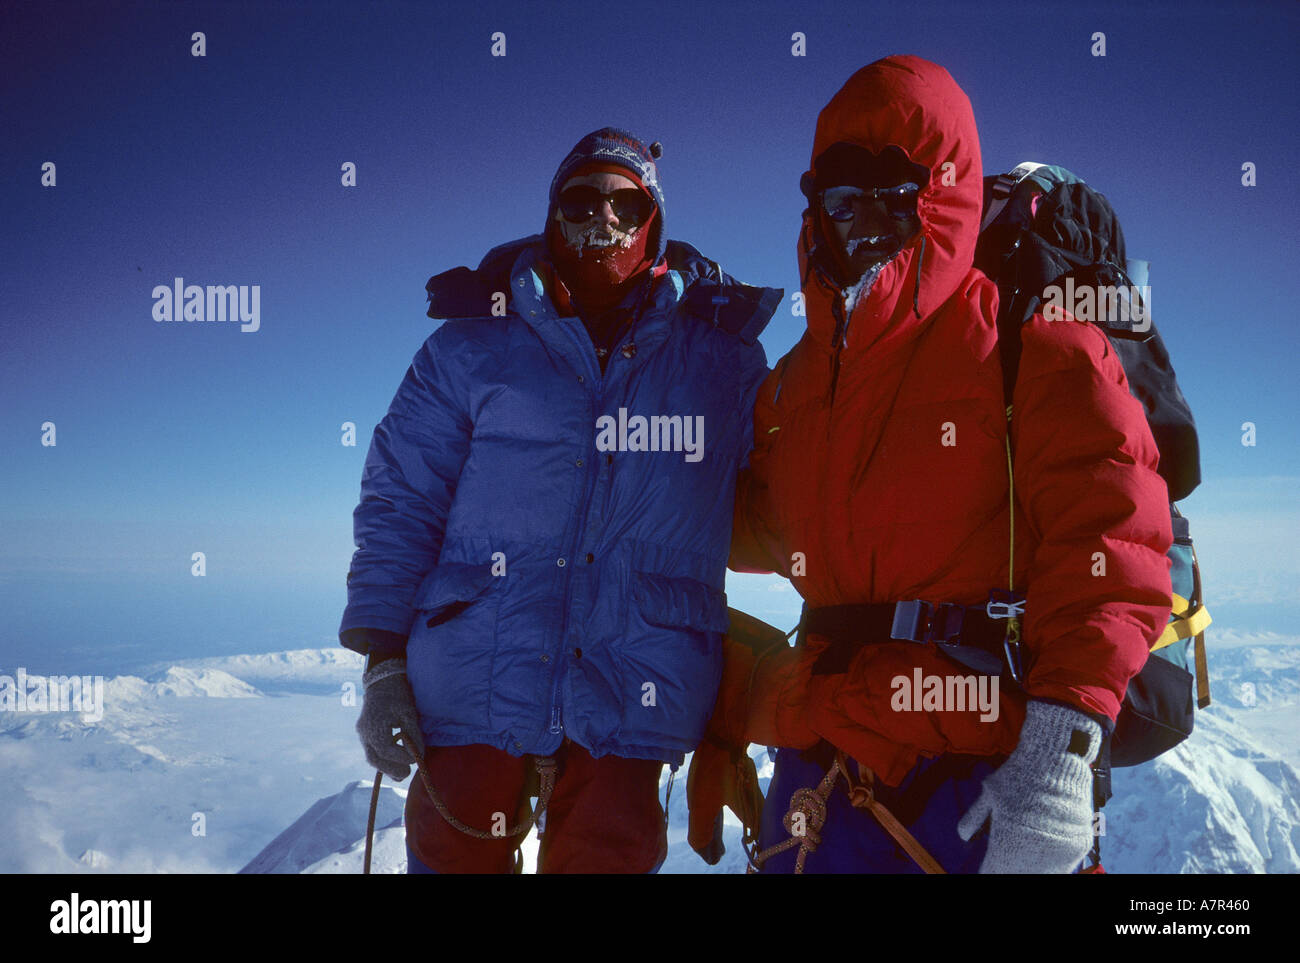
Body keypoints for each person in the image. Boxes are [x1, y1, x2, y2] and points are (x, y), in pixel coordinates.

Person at [705, 56, 1173, 873]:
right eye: (841, 203)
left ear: (942, 199)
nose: (862, 227)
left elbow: (1112, 544)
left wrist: (1059, 756)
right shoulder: (798, 382)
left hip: (976, 782)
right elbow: (748, 522)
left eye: (894, 201)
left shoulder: (1034, 345)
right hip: (817, 767)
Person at [339, 128, 777, 873]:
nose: (603, 220)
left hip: (636, 681)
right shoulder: (471, 345)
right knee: (450, 855)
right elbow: (401, 499)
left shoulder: (722, 360)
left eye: (627, 205)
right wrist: (383, 659)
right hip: (477, 670)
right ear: (553, 214)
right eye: (582, 199)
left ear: (653, 224)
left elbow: (780, 501)